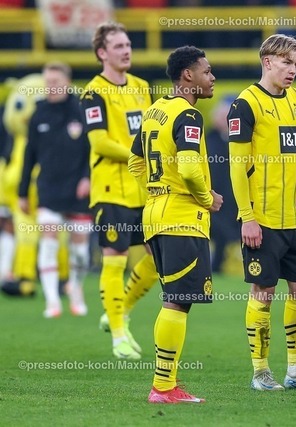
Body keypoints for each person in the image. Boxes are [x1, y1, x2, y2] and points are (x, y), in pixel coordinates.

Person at [228, 34, 296, 391]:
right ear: (268, 61)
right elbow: (236, 165)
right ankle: (260, 372)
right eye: (287, 62)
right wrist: (247, 217)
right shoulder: (246, 104)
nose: (292, 70)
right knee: (263, 290)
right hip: (261, 221)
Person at [129, 45, 222, 404]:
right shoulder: (188, 114)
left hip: (155, 215)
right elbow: (188, 168)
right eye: (207, 71)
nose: (212, 77)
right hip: (181, 218)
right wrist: (206, 198)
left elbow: (135, 163)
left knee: (175, 300)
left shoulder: (154, 111)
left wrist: (156, 191)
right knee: (178, 302)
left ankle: (165, 385)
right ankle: (163, 387)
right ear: (188, 75)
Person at [80, 22, 158, 360]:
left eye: (128, 44)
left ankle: (120, 311)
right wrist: (137, 155)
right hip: (111, 190)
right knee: (115, 259)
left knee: (158, 257)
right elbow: (99, 142)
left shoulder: (142, 87)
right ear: (102, 53)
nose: (126, 51)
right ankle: (118, 336)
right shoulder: (92, 93)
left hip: (144, 190)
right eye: (118, 46)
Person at [18, 61, 92, 318]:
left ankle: (76, 289)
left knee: (79, 250)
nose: (51, 87)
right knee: (48, 243)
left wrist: (88, 178)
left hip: (78, 189)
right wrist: (22, 192)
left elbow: (93, 149)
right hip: (48, 189)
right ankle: (52, 301)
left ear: (67, 82)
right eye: (47, 82)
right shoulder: (38, 113)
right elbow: (29, 155)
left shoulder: (81, 110)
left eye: (56, 82)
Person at [206, 96, 240, 274]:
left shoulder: (240, 142)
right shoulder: (207, 140)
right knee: (217, 236)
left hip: (234, 201)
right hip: (211, 198)